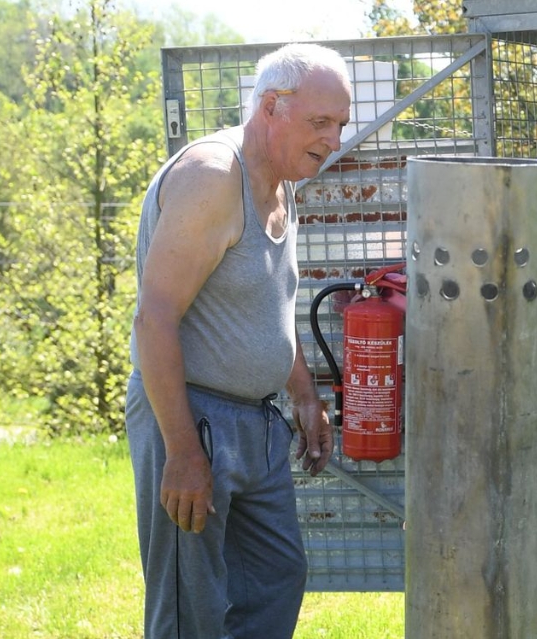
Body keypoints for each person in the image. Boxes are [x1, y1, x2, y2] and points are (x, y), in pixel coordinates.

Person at [126, 43, 350, 638]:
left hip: (258, 424)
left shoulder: (283, 182)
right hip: (192, 418)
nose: (333, 140)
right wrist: (181, 450)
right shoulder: (212, 176)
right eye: (320, 122)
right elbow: (154, 318)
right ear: (271, 106)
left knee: (276, 577)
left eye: (341, 125)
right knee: (189, 608)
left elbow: (268, 302)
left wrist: (303, 395)